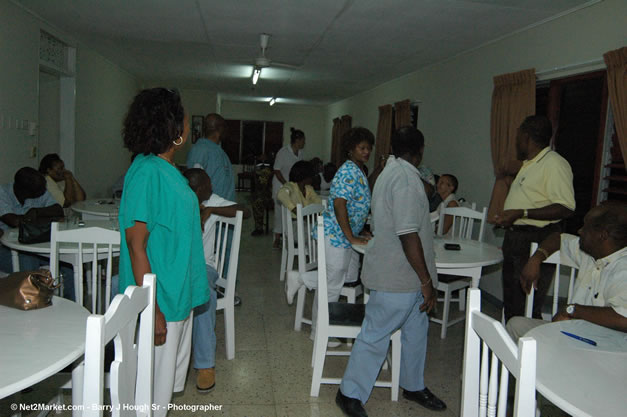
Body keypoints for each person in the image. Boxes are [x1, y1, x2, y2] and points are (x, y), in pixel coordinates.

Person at [336, 127, 446, 417]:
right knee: (375, 334)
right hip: (397, 276)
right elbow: (409, 233)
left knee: (416, 331)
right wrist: (427, 281)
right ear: (420, 150)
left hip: (404, 275)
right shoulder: (405, 179)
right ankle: (349, 393)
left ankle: (413, 385)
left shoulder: (391, 172)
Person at [118, 88, 209, 417]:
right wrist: (151, 308)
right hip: (162, 301)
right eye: (183, 117)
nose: (188, 123)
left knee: (163, 389)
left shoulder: (166, 169)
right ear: (172, 127)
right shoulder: (146, 172)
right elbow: (135, 244)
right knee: (151, 395)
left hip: (178, 294)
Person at [285, 127, 373, 345]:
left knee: (347, 279)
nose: (366, 152)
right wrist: (351, 236)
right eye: (362, 148)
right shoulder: (347, 171)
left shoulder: (359, 170)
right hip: (336, 236)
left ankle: (301, 278)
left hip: (346, 235)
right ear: (350, 150)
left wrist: (358, 230)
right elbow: (339, 204)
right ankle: (319, 331)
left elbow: (356, 204)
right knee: (331, 286)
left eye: (369, 148)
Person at [494, 115, 575, 321]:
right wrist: (509, 218)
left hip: (536, 239)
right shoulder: (529, 164)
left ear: (527, 137)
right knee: (512, 303)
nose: (516, 141)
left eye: (518, 136)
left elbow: (565, 207)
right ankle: (510, 349)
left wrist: (522, 213)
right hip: (516, 238)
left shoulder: (555, 164)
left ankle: (528, 350)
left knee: (527, 307)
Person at [507, 202, 627, 340]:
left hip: (601, 344)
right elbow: (558, 238)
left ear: (602, 235)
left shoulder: (623, 268)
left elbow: (623, 319)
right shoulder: (591, 253)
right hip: (572, 332)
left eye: (586, 228)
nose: (580, 231)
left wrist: (572, 310)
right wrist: (536, 259)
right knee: (515, 325)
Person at [183, 168, 250, 394]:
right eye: (208, 184)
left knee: (205, 295)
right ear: (197, 190)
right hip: (177, 264)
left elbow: (245, 211)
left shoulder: (212, 200)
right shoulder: (179, 200)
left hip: (204, 266)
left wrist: (211, 210)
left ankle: (205, 365)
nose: (212, 187)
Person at [0, 167, 73, 298]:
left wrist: (36, 212)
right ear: (23, 191)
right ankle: (35, 304)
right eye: (37, 193)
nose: (42, 193)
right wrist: (42, 217)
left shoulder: (39, 189)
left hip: (36, 243)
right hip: (8, 248)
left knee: (68, 263)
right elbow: (13, 221)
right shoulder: (3, 193)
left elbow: (58, 211)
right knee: (29, 262)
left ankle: (71, 304)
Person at [186, 113, 236, 202]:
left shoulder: (218, 151)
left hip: (224, 210)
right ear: (220, 129)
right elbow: (194, 185)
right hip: (210, 212)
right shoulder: (200, 149)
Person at [272, 128, 305, 248]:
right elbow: (276, 170)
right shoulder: (283, 152)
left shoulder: (300, 153)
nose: (304, 143)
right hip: (281, 185)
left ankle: (289, 237)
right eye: (303, 140)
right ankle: (276, 238)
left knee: (292, 211)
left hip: (293, 187)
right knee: (280, 212)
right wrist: (286, 184)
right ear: (297, 140)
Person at [250, 155, 274, 236]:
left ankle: (259, 228)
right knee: (257, 200)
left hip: (274, 194)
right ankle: (259, 228)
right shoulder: (261, 168)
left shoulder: (269, 168)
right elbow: (259, 186)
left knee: (258, 201)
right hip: (266, 194)